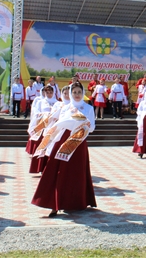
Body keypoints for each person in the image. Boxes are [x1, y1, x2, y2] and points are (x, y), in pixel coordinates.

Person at [31, 82, 97, 217]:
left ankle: (76, 202)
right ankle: (53, 203)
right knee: (56, 169)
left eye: (79, 92)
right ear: (71, 94)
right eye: (74, 92)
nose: (77, 95)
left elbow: (91, 128)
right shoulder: (66, 107)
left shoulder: (88, 108)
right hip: (63, 139)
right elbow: (58, 124)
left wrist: (83, 122)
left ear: (83, 93)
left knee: (76, 172)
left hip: (78, 141)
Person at [30, 86, 71, 174]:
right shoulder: (58, 104)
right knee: (49, 149)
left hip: (66, 131)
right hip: (54, 129)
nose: (67, 95)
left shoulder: (73, 105)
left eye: (68, 93)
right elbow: (52, 116)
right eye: (65, 93)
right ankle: (45, 169)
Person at [26, 85, 57, 155]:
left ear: (53, 93)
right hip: (43, 124)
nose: (49, 94)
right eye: (47, 92)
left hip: (53, 125)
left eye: (51, 92)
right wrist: (44, 114)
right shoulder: (40, 102)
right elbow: (36, 112)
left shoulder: (57, 103)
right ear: (45, 93)